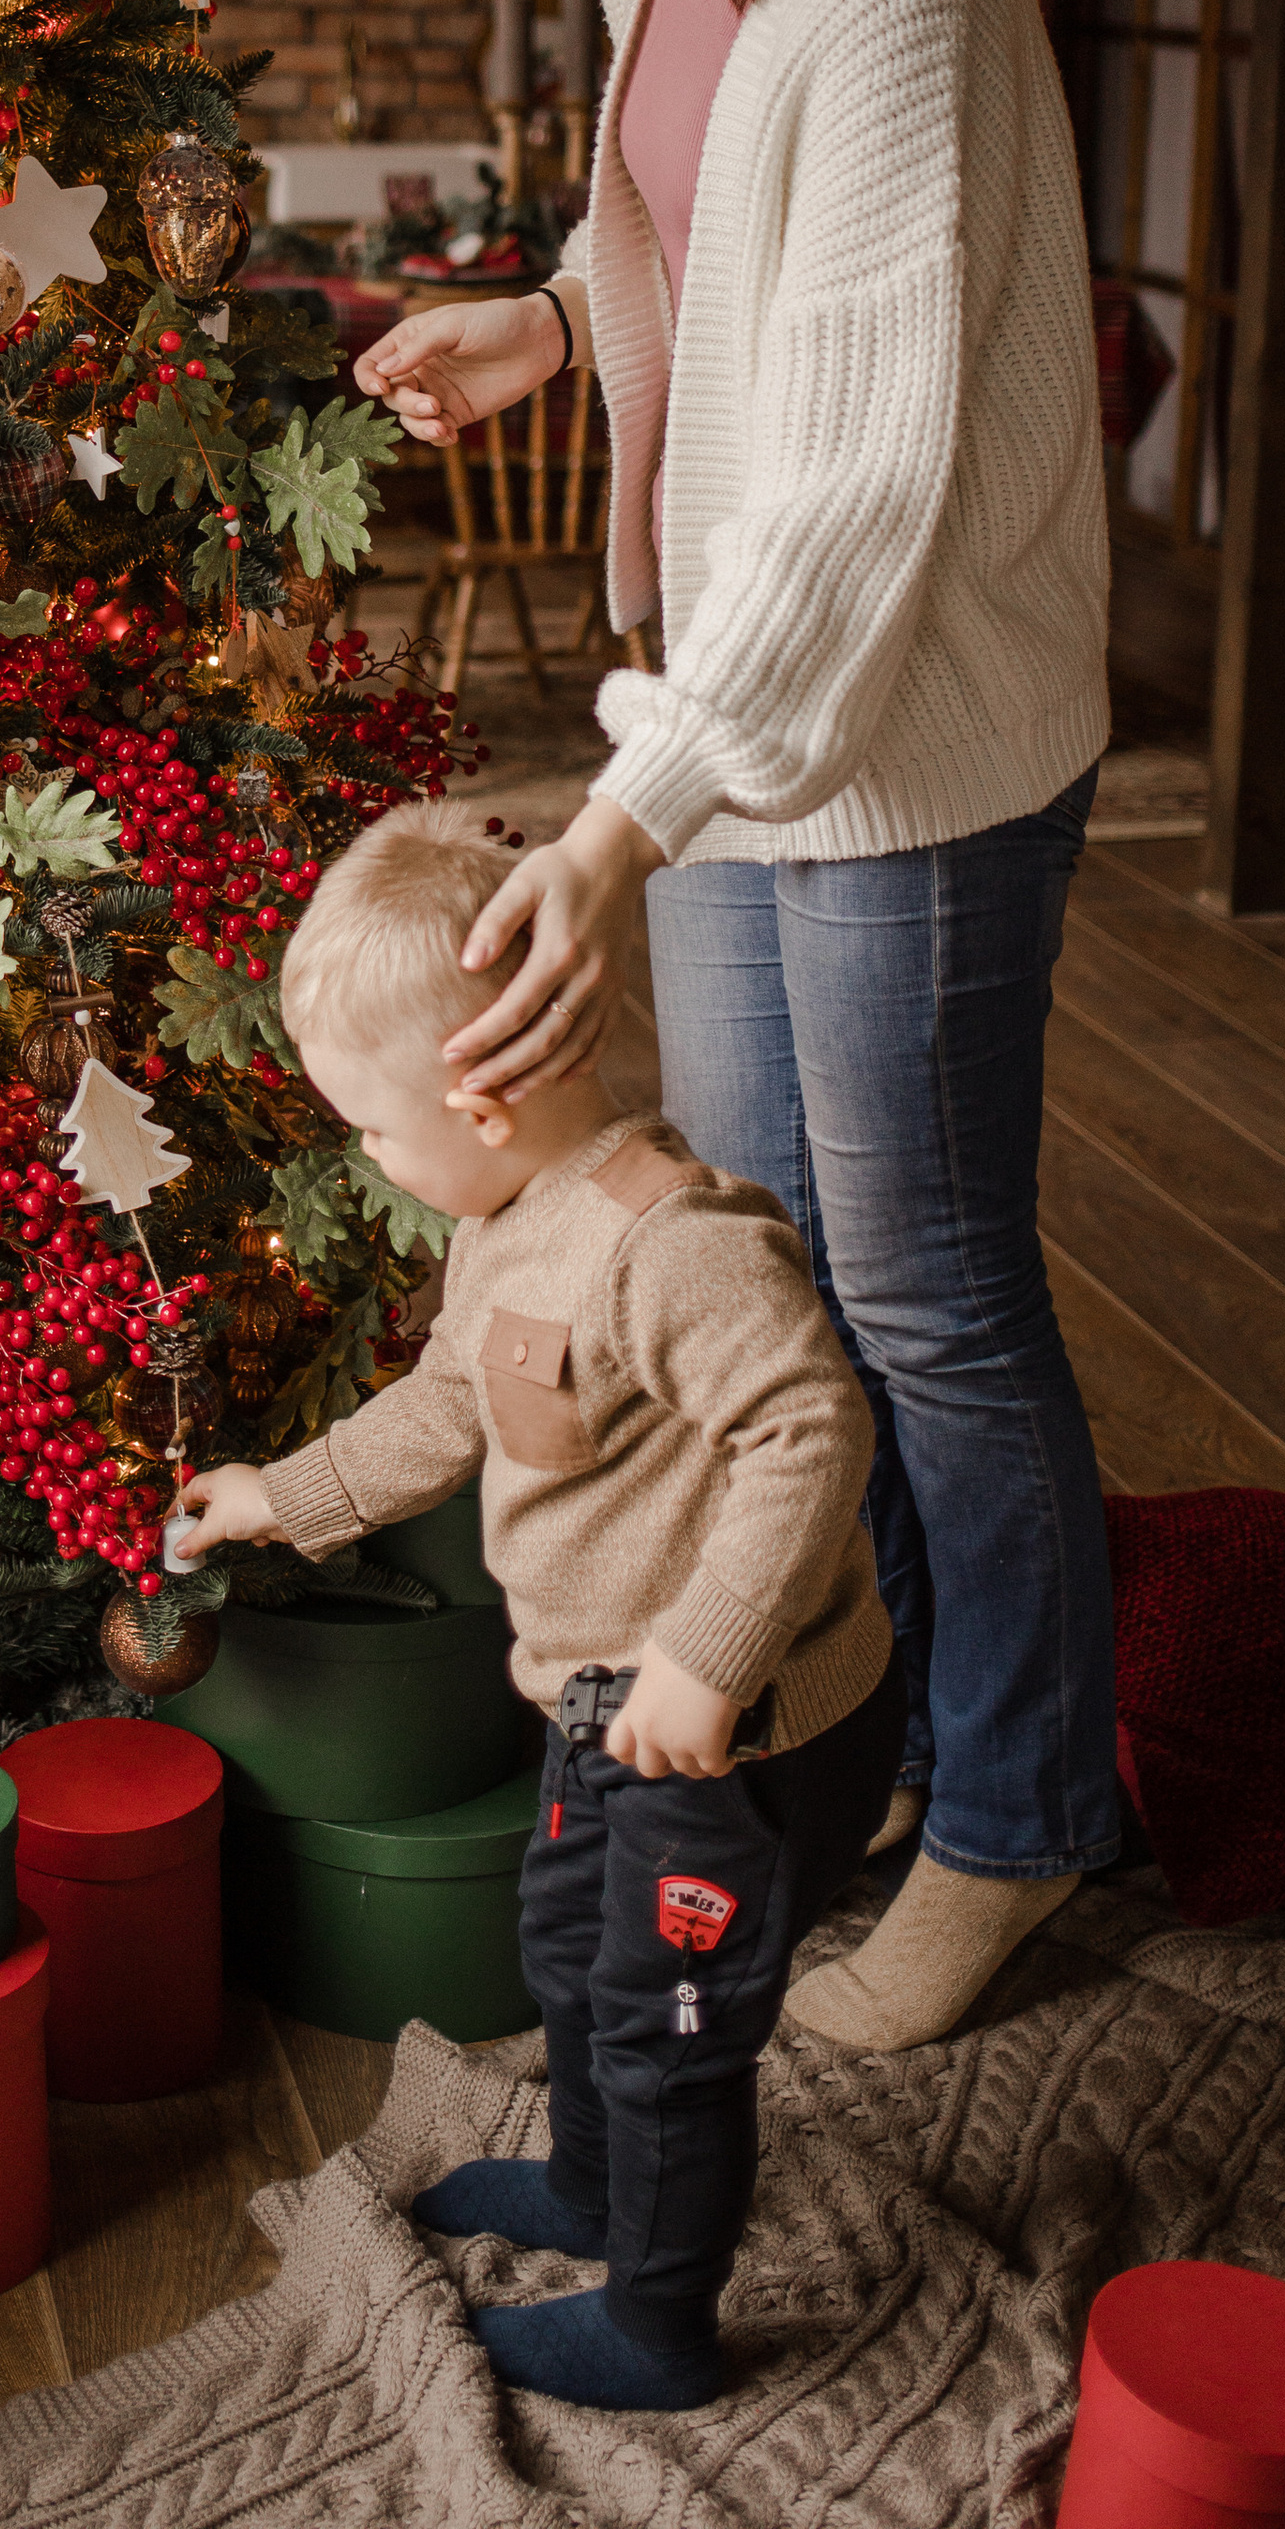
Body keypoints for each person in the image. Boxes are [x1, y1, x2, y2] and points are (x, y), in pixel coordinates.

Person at [352, 0, 1115, 2052]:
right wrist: (558, 320)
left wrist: (633, 808)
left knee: (924, 1307)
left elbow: (866, 459)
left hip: (892, 749)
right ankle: (908, 1749)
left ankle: (1023, 1823)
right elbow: (683, 222)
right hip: (742, 723)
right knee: (788, 1297)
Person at [176, 801, 902, 2416]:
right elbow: (446, 1411)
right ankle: (590, 2188)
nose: (359, 1152)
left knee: (666, 2028)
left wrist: (710, 1666)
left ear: (484, 1098)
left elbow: (814, 1429)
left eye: (366, 1123)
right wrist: (278, 1498)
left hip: (730, 1741)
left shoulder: (667, 1244)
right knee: (570, 1961)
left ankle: (657, 2325)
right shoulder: (501, 1232)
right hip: (595, 1716)